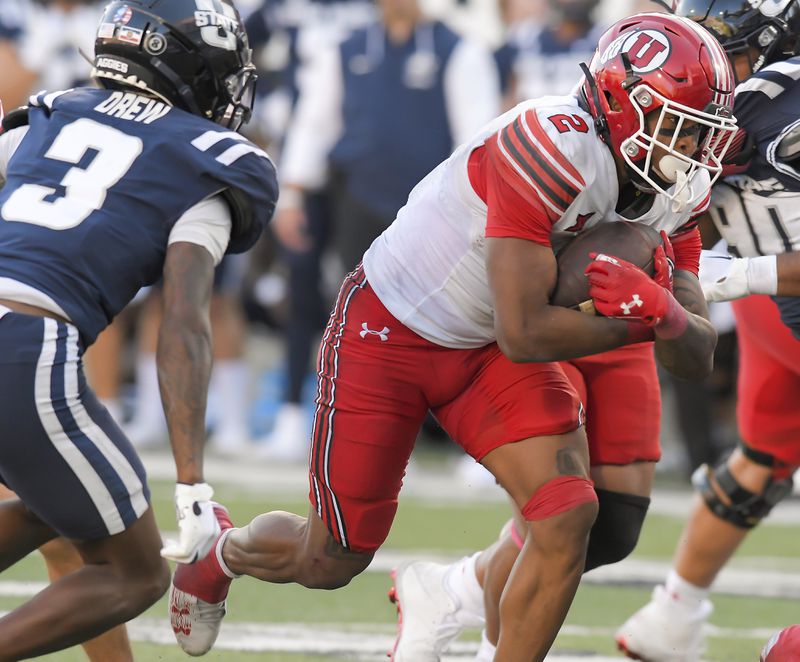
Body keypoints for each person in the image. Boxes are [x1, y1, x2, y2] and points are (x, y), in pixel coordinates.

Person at [169, 12, 737, 662]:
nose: (694, 149)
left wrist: (663, 315)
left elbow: (696, 351)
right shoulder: (551, 145)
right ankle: (218, 553)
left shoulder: (674, 191)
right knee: (329, 556)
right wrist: (632, 321)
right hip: (390, 330)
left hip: (483, 350)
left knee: (567, 513)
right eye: (679, 127)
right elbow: (523, 332)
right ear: (620, 103)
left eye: (701, 132)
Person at [0, 0, 277, 658]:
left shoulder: (49, 112)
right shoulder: (210, 158)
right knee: (136, 572)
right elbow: (184, 321)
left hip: (19, 335)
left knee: (61, 505)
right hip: (25, 344)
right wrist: (192, 481)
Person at [616, 1, 800, 660]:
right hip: (777, 292)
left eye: (729, 52)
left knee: (762, 460)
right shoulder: (741, 109)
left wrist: (727, 274)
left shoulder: (772, 106)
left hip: (769, 286)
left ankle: (672, 612)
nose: (715, 70)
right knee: (765, 455)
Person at [260, 0, 500, 459]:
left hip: (437, 211)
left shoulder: (460, 49)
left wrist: (477, 210)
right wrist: (291, 192)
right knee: (359, 317)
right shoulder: (346, 48)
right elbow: (316, 123)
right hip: (360, 200)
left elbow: (477, 136)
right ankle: (349, 428)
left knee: (457, 318)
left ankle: (476, 441)